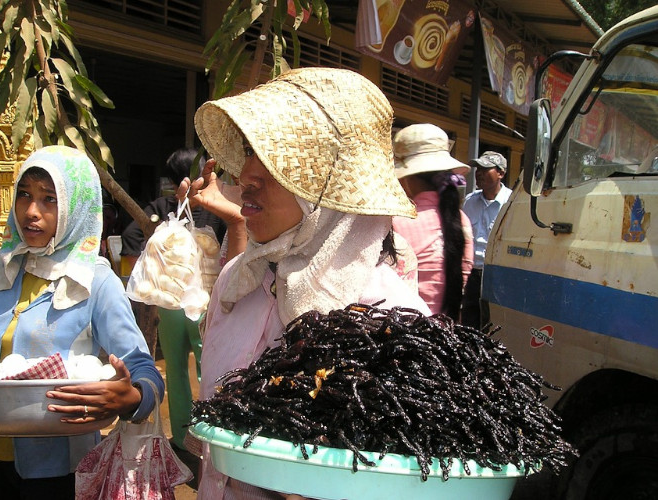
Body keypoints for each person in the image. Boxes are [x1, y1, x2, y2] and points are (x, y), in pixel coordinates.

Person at [185, 67, 430, 499]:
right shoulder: (236, 281)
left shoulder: (388, 317)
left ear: (330, 186)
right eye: (249, 152)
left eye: (276, 160)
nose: (247, 176)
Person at [0, 146, 164, 500]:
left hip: (62, 473)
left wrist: (131, 397)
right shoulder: (0, 269)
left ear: (77, 207)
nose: (31, 212)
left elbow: (143, 371)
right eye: (24, 195)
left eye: (49, 200)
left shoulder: (94, 281)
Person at [120, 147, 227, 451]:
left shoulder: (162, 207)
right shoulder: (215, 206)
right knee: (210, 369)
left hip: (169, 303)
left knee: (176, 370)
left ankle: (182, 438)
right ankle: (212, 439)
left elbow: (130, 237)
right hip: (205, 302)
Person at [391, 124, 474, 319]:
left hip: (406, 333)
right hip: (447, 333)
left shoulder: (397, 221)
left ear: (406, 179)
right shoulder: (463, 220)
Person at [460, 150, 512, 329]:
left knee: (495, 325)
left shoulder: (512, 203)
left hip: (498, 276)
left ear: (501, 173)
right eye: (478, 169)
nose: (479, 173)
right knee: (469, 324)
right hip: (473, 274)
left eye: (485, 169)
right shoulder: (469, 201)